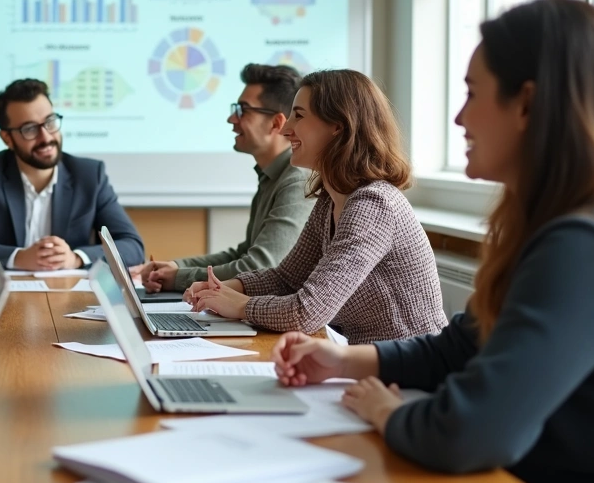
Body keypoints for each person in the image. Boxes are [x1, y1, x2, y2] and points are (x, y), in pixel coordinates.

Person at [272, 0, 594, 483]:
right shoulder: (551, 226)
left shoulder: (588, 245)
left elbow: (469, 432)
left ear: (527, 105)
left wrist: (387, 411)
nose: (458, 116)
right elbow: (464, 345)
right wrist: (350, 361)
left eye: (472, 94)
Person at [185, 69, 447, 344]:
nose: (286, 129)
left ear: (337, 125)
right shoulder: (330, 200)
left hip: (410, 374)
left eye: (298, 115)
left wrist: (239, 305)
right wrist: (223, 288)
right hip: (371, 364)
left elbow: (306, 312)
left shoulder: (374, 205)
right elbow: (287, 279)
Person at [132, 64, 313, 293]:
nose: (231, 119)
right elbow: (244, 253)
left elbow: (260, 267)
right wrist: (176, 266)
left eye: (242, 110)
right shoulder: (271, 176)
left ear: (276, 123)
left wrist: (178, 278)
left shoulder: (295, 182)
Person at [0, 79, 144, 272]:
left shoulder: (89, 175)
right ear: (7, 138)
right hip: (8, 299)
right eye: (29, 129)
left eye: (50, 122)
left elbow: (132, 246)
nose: (46, 137)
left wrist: (76, 258)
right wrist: (18, 257)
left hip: (70, 299)